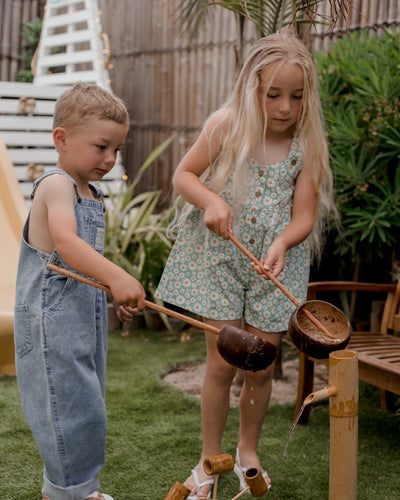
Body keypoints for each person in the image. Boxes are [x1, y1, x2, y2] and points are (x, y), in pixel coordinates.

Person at [155, 30, 337, 499]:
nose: (284, 108)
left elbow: (304, 216)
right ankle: (208, 458)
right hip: (220, 258)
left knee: (259, 365)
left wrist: (282, 241)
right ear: (251, 88)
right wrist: (210, 201)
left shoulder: (307, 145)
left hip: (276, 266)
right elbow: (184, 176)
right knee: (221, 364)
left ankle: (248, 451)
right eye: (273, 95)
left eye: (296, 97)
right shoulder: (227, 125)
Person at [14, 82, 146, 500]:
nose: (110, 159)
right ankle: (70, 492)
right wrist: (119, 276)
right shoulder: (56, 185)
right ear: (62, 139)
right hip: (51, 326)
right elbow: (67, 244)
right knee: (65, 408)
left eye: (117, 150)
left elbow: (82, 268)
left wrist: (112, 295)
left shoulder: (91, 192)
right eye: (102, 147)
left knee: (86, 406)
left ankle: (75, 489)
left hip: (81, 324)